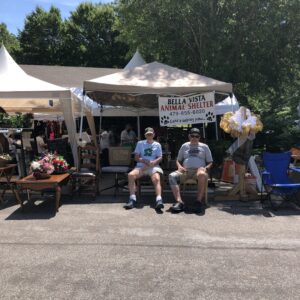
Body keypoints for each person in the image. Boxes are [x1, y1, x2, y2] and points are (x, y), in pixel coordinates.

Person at [168, 128, 213, 214]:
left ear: (199, 137)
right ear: (189, 136)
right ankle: (179, 202)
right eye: (192, 136)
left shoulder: (204, 147)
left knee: (202, 174)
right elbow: (178, 160)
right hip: (185, 171)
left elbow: (210, 162)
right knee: (171, 176)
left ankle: (198, 202)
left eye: (197, 136)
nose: (194, 138)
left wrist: (205, 168)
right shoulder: (184, 146)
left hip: (198, 171)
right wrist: (179, 166)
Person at [124, 127, 164, 210]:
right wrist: (143, 160)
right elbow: (136, 157)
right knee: (130, 175)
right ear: (145, 135)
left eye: (151, 134)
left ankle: (159, 200)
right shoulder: (140, 143)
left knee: (156, 178)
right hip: (141, 166)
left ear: (154, 134)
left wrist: (154, 162)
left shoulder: (157, 144)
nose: (149, 135)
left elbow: (160, 157)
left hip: (153, 166)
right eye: (148, 134)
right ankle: (132, 199)